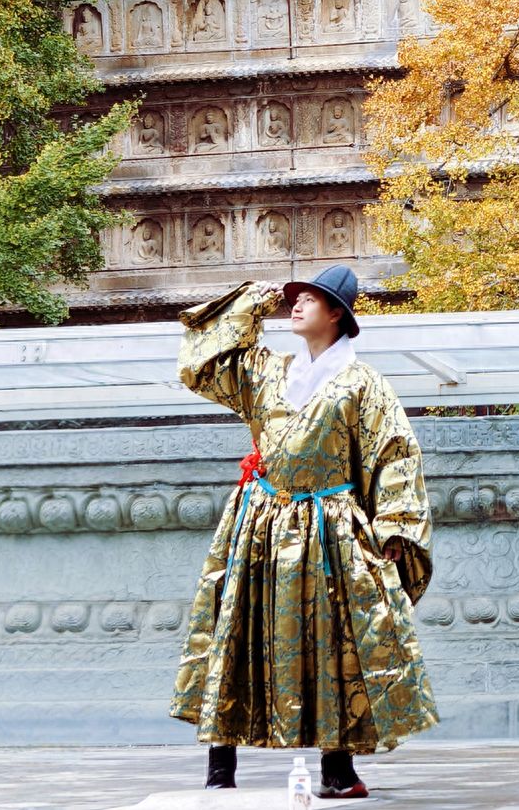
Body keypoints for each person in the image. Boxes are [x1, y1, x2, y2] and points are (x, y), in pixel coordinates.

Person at [169, 265, 438, 795]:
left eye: (309, 299)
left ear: (336, 313)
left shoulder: (364, 384)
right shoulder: (267, 370)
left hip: (328, 523)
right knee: (236, 626)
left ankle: (338, 770)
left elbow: (395, 456)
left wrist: (393, 529)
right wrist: (251, 301)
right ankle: (220, 768)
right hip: (259, 520)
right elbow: (202, 363)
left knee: (335, 636)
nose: (294, 306)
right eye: (292, 299)